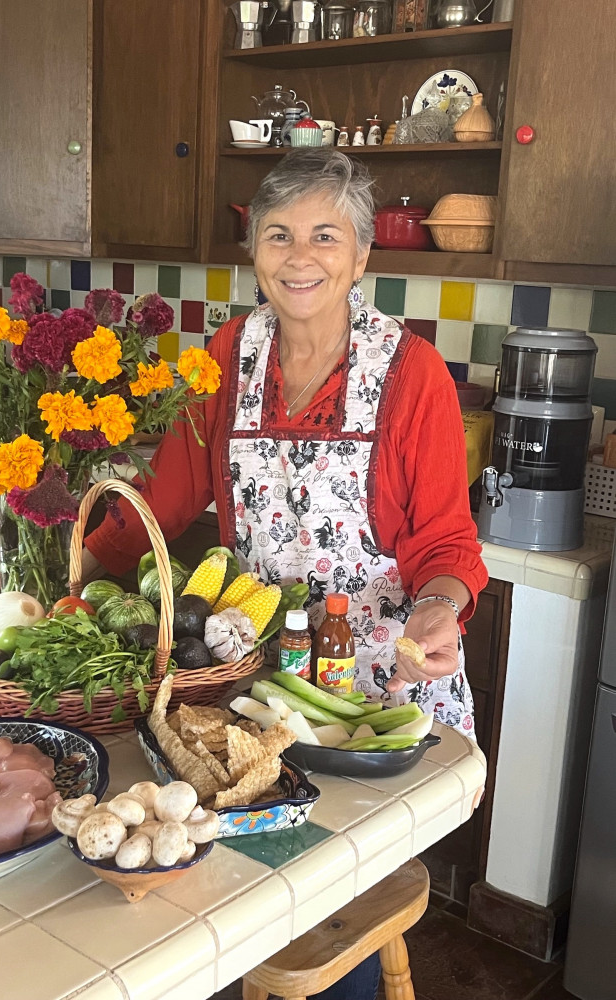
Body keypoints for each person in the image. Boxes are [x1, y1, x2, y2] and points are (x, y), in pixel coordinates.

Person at [83, 148, 488, 1000]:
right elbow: (162, 501)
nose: (300, 256)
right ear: (255, 254)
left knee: (330, 897)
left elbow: (447, 544)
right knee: (242, 896)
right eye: (278, 234)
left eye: (325, 235)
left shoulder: (411, 375)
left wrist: (439, 614)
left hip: (369, 692)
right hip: (253, 683)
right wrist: (81, 568)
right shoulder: (226, 356)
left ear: (362, 256)